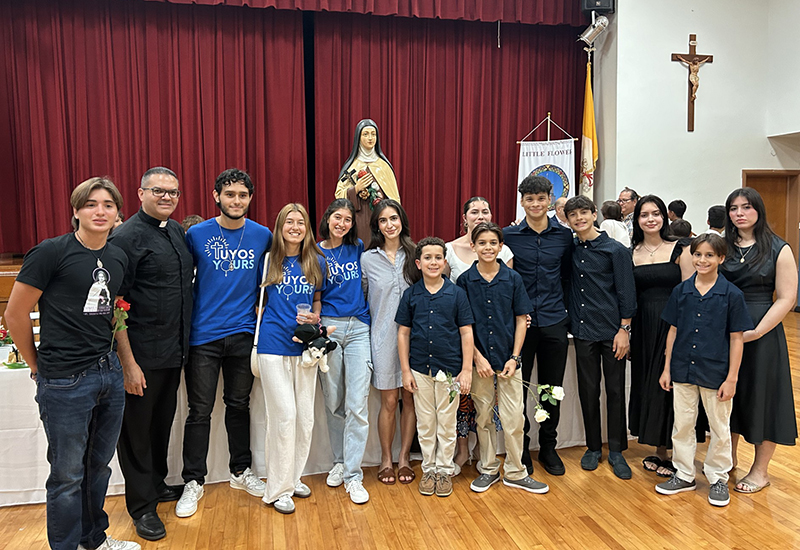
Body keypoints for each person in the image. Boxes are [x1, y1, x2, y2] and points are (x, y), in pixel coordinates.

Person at [5, 177, 139, 550]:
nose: (100, 211)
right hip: (64, 381)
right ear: (76, 210)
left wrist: (121, 363)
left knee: (98, 467)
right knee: (66, 476)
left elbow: (113, 309)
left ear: (117, 214)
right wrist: (37, 365)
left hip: (107, 375)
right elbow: (15, 316)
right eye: (91, 204)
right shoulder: (50, 252)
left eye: (108, 205)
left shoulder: (116, 256)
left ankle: (93, 538)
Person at [178, 169, 272, 517]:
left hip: (245, 335)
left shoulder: (263, 235)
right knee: (199, 411)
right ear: (216, 195)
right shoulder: (197, 234)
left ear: (250, 198)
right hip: (203, 336)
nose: (236, 201)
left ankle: (240, 471)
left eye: (243, 195)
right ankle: (193, 481)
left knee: (238, 405)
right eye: (229, 194)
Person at [110, 167, 194, 541]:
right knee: (137, 433)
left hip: (173, 351)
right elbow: (115, 305)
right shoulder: (125, 238)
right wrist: (128, 363)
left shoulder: (176, 231)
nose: (166, 197)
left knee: (161, 426)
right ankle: (142, 508)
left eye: (173, 192)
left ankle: (157, 486)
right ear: (141, 192)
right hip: (140, 355)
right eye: (158, 191)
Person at [656, 233, 752, 507]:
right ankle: (684, 474)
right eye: (698, 254)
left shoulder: (732, 295)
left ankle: (718, 478)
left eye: (709, 255)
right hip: (683, 368)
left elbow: (736, 339)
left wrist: (732, 378)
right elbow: (673, 332)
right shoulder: (681, 291)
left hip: (716, 371)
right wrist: (667, 369)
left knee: (719, 426)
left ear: (721, 258)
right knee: (682, 423)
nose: (702, 260)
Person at [456, 222, 548, 494]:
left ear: (500, 246)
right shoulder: (464, 282)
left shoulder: (512, 278)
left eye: (492, 243)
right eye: (481, 243)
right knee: (483, 417)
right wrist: (477, 359)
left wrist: (515, 357)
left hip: (509, 361)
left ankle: (516, 471)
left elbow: (522, 320)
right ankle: (488, 468)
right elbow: (464, 326)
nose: (487, 247)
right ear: (473, 246)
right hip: (480, 363)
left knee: (514, 418)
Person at [719, 187, 798, 494]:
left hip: (762, 332)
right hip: (725, 331)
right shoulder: (722, 245)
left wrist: (757, 331)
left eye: (746, 207)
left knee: (762, 397)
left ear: (758, 211)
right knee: (728, 397)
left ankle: (760, 471)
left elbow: (787, 297)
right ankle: (728, 460)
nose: (739, 213)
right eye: (734, 208)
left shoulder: (779, 248)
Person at [256, 203, 327, 514]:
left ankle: (293, 476)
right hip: (272, 345)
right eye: (290, 222)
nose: (295, 227)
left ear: (307, 228)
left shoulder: (316, 261)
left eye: (301, 222)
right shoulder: (269, 258)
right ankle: (278, 488)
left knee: (305, 418)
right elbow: (256, 301)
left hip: (305, 348)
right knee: (284, 416)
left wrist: (314, 321)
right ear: (280, 226)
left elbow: (316, 300)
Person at [503, 175, 573, 476]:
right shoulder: (509, 235)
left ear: (549, 200)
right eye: (529, 199)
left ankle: (548, 447)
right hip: (521, 325)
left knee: (550, 388)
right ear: (522, 202)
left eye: (541, 198)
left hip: (555, 320)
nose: (535, 204)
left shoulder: (564, 236)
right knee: (518, 390)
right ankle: (523, 447)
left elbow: (569, 277)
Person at [564, 196, 636, 480]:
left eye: (584, 212)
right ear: (567, 220)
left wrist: (624, 330)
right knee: (588, 390)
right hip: (582, 331)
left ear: (594, 214)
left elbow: (627, 293)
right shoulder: (569, 249)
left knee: (616, 391)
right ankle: (593, 447)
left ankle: (617, 450)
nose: (579, 218)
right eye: (573, 215)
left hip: (612, 331)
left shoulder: (615, 250)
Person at [396, 237, 474, 498]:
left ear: (445, 261)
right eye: (427, 258)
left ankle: (444, 469)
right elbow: (403, 334)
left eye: (438, 258)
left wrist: (467, 370)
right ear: (418, 263)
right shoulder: (411, 295)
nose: (433, 262)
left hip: (450, 370)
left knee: (447, 423)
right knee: (426, 422)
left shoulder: (457, 294)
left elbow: (466, 333)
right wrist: (406, 371)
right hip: (420, 369)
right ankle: (428, 467)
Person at [628, 195, 696, 478]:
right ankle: (661, 450)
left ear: (664, 218)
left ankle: (681, 453)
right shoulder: (631, 253)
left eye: (656, 213)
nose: (651, 219)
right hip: (644, 324)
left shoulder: (681, 249)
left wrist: (681, 329)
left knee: (672, 386)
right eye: (644, 215)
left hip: (674, 324)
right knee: (650, 384)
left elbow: (690, 292)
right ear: (637, 220)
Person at [445, 197, 514, 469]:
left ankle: (487, 452)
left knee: (489, 400)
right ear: (464, 218)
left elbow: (508, 292)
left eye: (485, 211)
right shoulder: (450, 249)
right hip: (460, 334)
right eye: (474, 211)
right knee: (464, 396)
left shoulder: (503, 250)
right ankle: (462, 450)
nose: (480, 215)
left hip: (495, 337)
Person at [316, 198, 372, 505]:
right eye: (338, 218)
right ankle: (339, 461)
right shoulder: (315, 251)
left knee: (357, 404)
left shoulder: (358, 248)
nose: (342, 224)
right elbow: (313, 294)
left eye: (348, 220)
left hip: (359, 328)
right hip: (330, 328)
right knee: (333, 400)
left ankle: (353, 475)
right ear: (327, 219)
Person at [361, 199, 418, 485]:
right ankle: (386, 459)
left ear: (401, 221)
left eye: (393, 218)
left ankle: (405, 458)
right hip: (382, 338)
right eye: (383, 220)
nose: (389, 224)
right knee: (389, 400)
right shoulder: (368, 259)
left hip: (415, 339)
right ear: (377, 226)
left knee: (409, 399)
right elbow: (362, 297)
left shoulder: (416, 254)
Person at [335, 119, 400, 245]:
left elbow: (394, 198)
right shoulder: (352, 167)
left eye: (373, 134)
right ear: (358, 138)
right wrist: (356, 189)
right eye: (365, 134)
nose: (370, 138)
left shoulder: (383, 166)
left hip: (381, 219)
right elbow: (339, 195)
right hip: (359, 220)